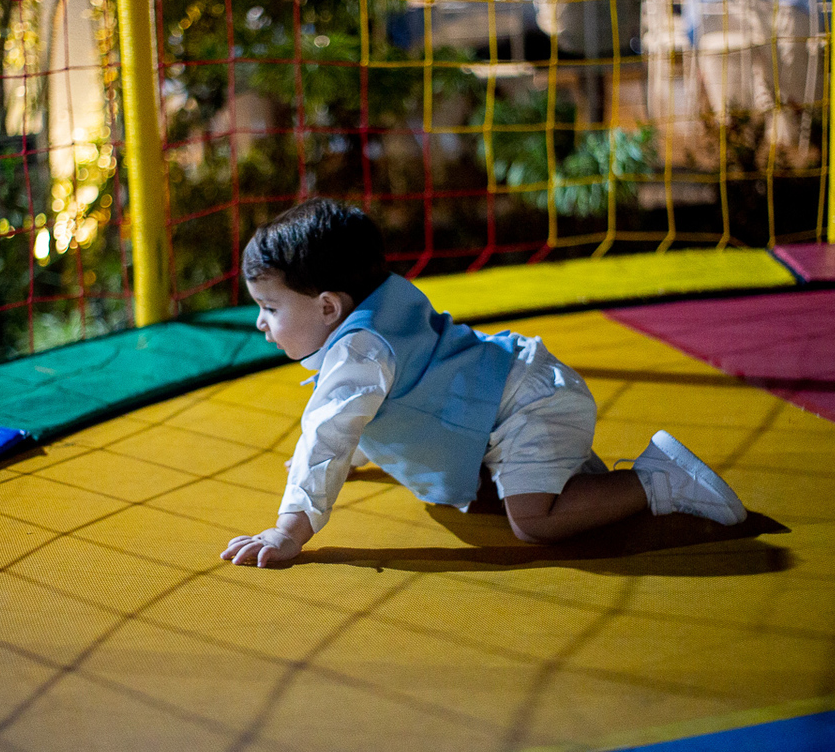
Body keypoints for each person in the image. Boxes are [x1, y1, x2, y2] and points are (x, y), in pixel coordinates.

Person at [221, 198, 747, 568]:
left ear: (327, 306)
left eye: (269, 307)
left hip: (528, 406)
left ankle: (659, 477)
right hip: (520, 388)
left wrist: (290, 530)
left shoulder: (359, 348)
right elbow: (387, 400)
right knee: (487, 500)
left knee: (533, 524)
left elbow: (329, 430)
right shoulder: (376, 308)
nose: (260, 323)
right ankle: (581, 483)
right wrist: (362, 457)